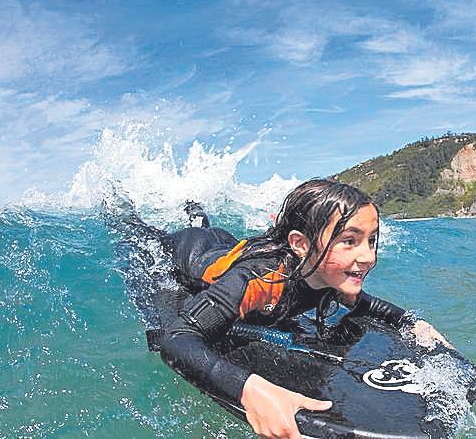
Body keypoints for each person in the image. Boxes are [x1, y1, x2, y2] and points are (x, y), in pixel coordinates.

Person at [159, 178, 449, 439]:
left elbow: (369, 305)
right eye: (350, 241)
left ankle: (197, 213)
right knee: (163, 235)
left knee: (206, 227)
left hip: (231, 246)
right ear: (300, 244)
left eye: (370, 240)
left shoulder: (330, 274)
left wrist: (413, 323)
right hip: (192, 252)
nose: (368, 256)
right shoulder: (261, 281)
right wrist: (248, 388)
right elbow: (177, 338)